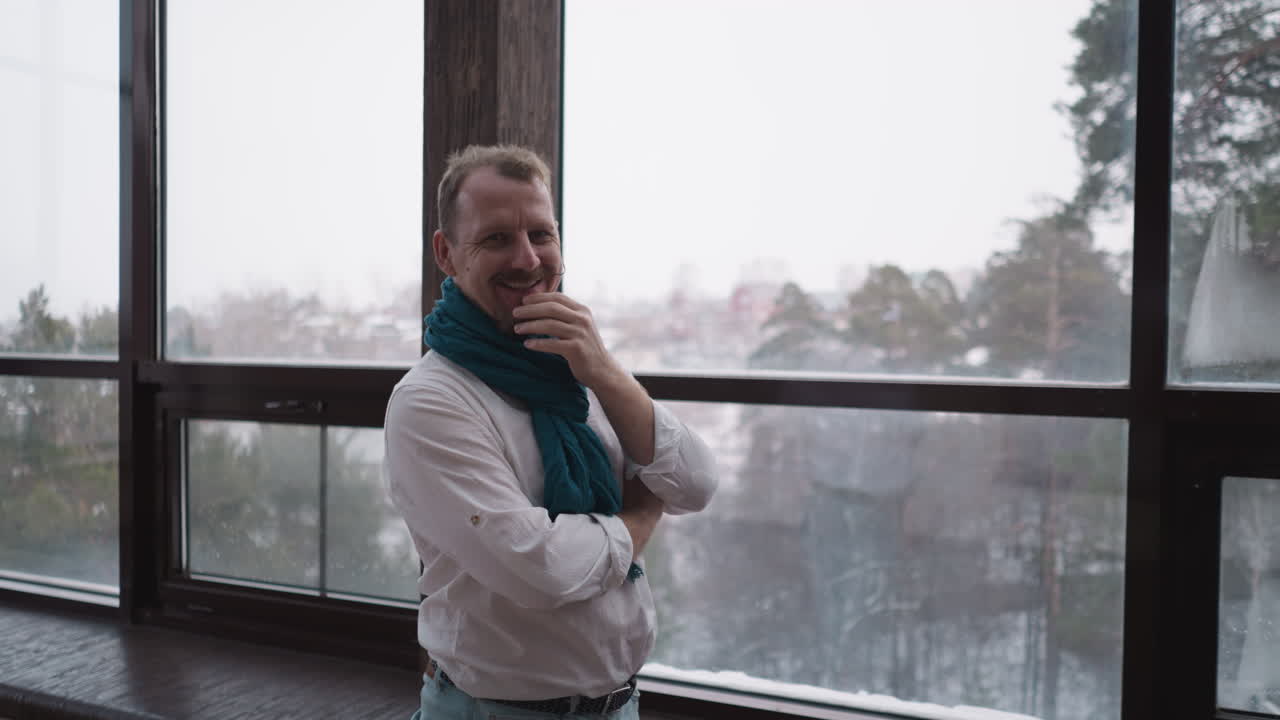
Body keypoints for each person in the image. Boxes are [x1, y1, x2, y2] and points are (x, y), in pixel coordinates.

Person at [384, 144, 718, 719]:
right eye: (495, 239)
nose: (528, 259)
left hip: (618, 707)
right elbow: (539, 568)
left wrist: (607, 372)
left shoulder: (575, 367)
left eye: (542, 234)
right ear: (447, 253)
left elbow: (694, 483)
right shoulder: (430, 401)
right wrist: (637, 519)